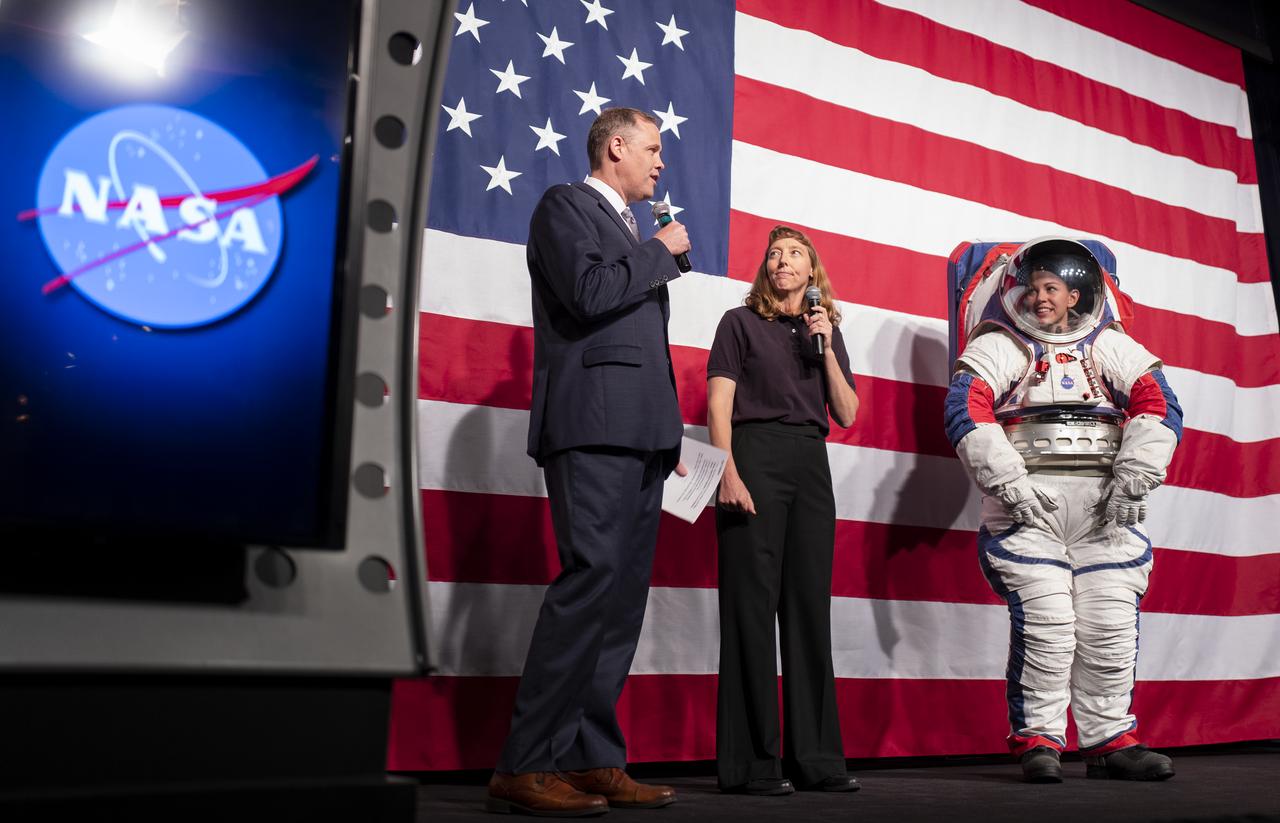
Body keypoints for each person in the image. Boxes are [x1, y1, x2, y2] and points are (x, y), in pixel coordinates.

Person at [485, 108, 691, 816]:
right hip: (592, 428)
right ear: (616, 147)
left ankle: (592, 755)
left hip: (640, 433)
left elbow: (636, 341)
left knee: (620, 601)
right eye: (653, 149)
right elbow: (591, 294)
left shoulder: (633, 230)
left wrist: (669, 429)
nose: (660, 163)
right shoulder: (565, 205)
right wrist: (661, 249)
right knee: (589, 583)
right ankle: (524, 762)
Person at [943, 237, 1183, 783]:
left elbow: (1158, 401)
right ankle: (1039, 741)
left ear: (1077, 295)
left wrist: (1135, 477)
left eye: (1051, 288)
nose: (1038, 297)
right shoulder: (1001, 344)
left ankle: (1109, 739)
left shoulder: (1112, 346)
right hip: (1029, 508)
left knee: (1110, 626)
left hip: (1106, 508)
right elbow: (966, 407)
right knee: (1049, 626)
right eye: (1033, 286)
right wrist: (1008, 482)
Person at [706, 225, 860, 796]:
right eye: (774, 253)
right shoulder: (738, 323)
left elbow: (846, 412)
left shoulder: (824, 330)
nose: (782, 260)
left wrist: (825, 350)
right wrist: (727, 472)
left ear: (813, 271)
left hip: (810, 462)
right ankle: (751, 764)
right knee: (750, 611)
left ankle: (816, 759)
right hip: (754, 455)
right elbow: (718, 402)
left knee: (807, 611)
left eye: (795, 253)